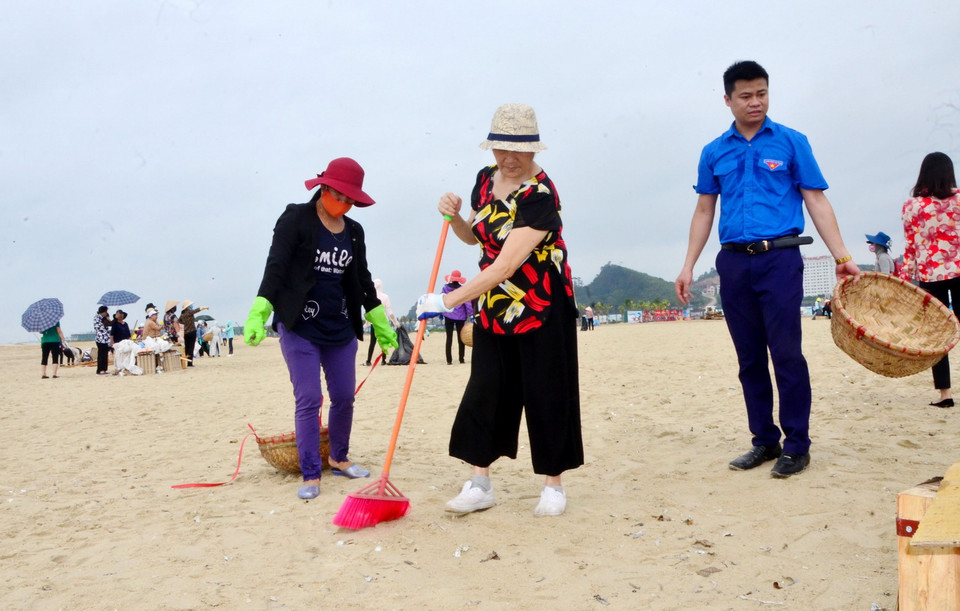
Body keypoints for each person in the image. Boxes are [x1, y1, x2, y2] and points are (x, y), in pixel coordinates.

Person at [675, 61, 860, 478]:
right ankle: (764, 440)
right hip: (733, 263)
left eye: (762, 93)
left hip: (779, 258)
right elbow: (705, 210)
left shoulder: (792, 142)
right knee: (749, 358)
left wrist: (843, 257)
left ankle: (797, 445)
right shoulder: (714, 151)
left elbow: (816, 201)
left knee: (787, 354)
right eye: (745, 95)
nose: (755, 102)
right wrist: (688, 264)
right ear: (728, 100)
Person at [416, 103, 582, 517]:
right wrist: (453, 216)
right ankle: (480, 482)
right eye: (501, 149)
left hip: (542, 303)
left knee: (546, 393)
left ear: (534, 151)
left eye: (519, 150)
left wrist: (447, 300)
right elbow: (475, 238)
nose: (509, 159)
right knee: (486, 391)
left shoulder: (541, 196)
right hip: (496, 306)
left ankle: (553, 485)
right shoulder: (485, 181)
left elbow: (507, 263)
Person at [244, 157, 399, 500]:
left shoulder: (354, 232)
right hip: (300, 324)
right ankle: (311, 472)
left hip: (340, 326)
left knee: (344, 396)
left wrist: (381, 325)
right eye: (339, 197)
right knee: (310, 398)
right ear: (323, 188)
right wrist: (260, 310)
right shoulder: (296, 218)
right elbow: (277, 267)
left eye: (351, 200)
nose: (344, 205)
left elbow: (361, 280)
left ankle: (339, 458)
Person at [900, 152, 960, 408]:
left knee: (937, 336)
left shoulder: (912, 206)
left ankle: (945, 394)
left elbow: (910, 248)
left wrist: (903, 280)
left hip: (930, 276)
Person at [365, 279, 400, 366]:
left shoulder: (371, 296)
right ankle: (383, 360)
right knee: (384, 341)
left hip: (375, 323)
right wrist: (395, 322)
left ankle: (368, 361)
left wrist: (367, 323)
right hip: (384, 323)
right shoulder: (385, 297)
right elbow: (389, 312)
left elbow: (369, 312)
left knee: (372, 342)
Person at [440, 270, 472, 365]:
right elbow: (467, 303)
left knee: (449, 338)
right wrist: (471, 315)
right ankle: (461, 359)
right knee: (460, 338)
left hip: (448, 314)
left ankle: (449, 360)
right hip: (460, 316)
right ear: (459, 279)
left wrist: (441, 313)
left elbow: (441, 301)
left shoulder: (445, 289)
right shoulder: (462, 289)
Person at [179, 300, 208, 367]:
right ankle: (190, 363)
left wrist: (185, 323)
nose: (190, 306)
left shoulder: (182, 314)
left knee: (187, 348)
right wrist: (203, 307)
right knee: (191, 347)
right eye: (189, 306)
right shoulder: (189, 312)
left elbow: (179, 321)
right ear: (187, 307)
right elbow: (196, 310)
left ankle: (185, 362)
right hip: (192, 331)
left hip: (186, 332)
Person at [93, 305, 112, 376]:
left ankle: (104, 369)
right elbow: (101, 327)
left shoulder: (103, 318)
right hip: (100, 339)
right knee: (101, 354)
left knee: (105, 354)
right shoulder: (97, 318)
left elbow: (109, 325)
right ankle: (100, 370)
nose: (106, 313)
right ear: (103, 312)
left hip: (105, 339)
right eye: (106, 311)